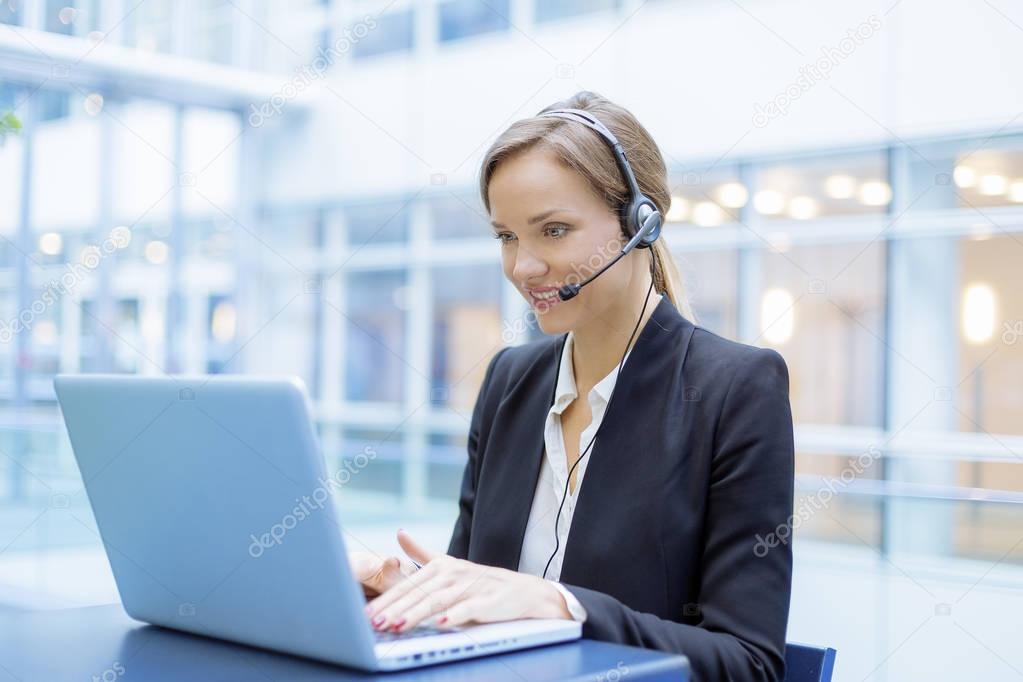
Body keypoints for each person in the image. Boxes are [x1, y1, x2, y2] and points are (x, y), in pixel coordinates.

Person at [350, 91, 795, 682]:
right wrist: (408, 597)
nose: (523, 267)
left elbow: (748, 663)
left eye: (553, 231)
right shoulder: (510, 380)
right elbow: (482, 593)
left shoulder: (734, 390)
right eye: (506, 236)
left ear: (641, 224)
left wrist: (561, 606)